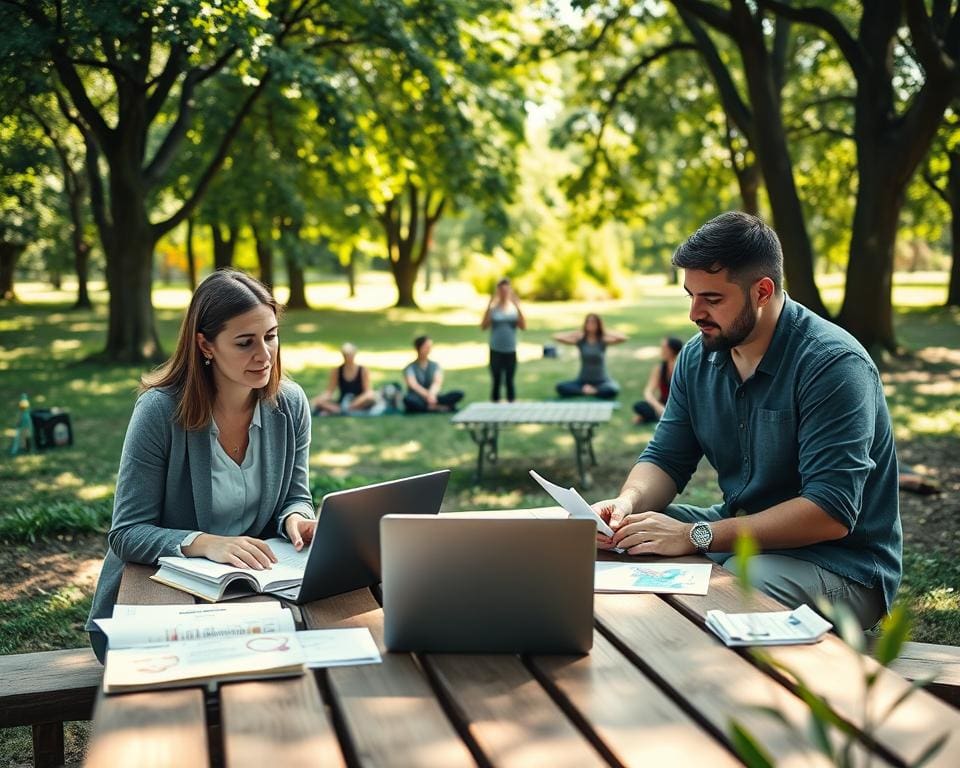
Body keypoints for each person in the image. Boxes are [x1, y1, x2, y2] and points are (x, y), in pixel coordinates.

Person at [593, 212, 901, 630]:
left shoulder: (833, 365)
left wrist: (695, 536)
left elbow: (830, 511)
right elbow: (666, 458)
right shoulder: (696, 358)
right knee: (621, 541)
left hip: (841, 565)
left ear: (762, 291)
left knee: (728, 591)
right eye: (690, 295)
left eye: (712, 299)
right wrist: (625, 505)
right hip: (739, 538)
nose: (694, 313)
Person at [85, 269, 317, 662]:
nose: (264, 355)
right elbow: (126, 533)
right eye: (245, 343)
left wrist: (297, 519)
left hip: (253, 592)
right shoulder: (159, 412)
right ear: (205, 345)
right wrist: (207, 544)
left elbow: (295, 495)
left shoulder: (289, 405)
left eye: (271, 336)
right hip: (159, 598)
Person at [553, 313, 627, 399]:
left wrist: (603, 331)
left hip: (602, 381)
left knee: (612, 390)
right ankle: (587, 391)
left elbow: (623, 338)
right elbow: (557, 337)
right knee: (560, 387)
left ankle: (593, 390)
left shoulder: (603, 340)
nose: (590, 324)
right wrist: (577, 332)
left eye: (593, 322)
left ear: (598, 324)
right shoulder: (580, 341)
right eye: (588, 322)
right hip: (582, 381)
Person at [481, 277, 526, 402]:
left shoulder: (514, 309)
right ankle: (494, 407)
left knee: (510, 380)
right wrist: (488, 306)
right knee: (496, 380)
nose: (504, 293)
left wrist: (518, 307)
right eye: (501, 290)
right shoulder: (493, 309)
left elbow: (523, 326)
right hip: (495, 349)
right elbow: (484, 326)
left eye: (506, 290)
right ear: (498, 291)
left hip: (510, 349)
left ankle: (512, 406)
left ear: (510, 291)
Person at [311, 342, 377, 415]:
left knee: (370, 399)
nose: (347, 357)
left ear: (354, 354)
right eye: (345, 355)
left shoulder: (362, 370)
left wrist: (353, 404)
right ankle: (340, 410)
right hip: (343, 402)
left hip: (358, 402)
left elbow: (368, 393)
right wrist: (317, 400)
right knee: (320, 402)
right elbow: (329, 392)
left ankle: (341, 411)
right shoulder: (337, 370)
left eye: (349, 355)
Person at [403, 335, 464, 413]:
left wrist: (432, 395)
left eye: (430, 347)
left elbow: (437, 382)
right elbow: (414, 385)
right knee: (408, 400)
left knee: (459, 393)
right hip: (418, 397)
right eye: (426, 347)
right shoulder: (410, 367)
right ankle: (438, 408)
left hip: (434, 396)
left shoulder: (435, 365)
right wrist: (427, 395)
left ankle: (430, 407)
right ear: (418, 348)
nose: (429, 349)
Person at [632, 336, 684, 423]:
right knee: (639, 406)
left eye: (664, 348)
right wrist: (658, 407)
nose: (661, 351)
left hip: (678, 406)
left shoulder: (681, 368)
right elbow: (648, 392)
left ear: (672, 350)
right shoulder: (660, 368)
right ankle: (664, 416)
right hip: (663, 405)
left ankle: (665, 417)